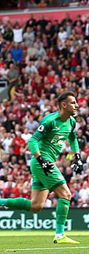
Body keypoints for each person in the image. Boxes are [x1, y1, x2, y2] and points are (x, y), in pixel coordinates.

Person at [0, 91, 84, 244]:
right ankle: (60, 235)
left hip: (45, 164)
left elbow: (73, 138)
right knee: (66, 195)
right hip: (42, 163)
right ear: (63, 105)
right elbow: (32, 141)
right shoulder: (50, 120)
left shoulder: (71, 121)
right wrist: (41, 160)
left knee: (36, 205)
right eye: (73, 102)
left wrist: (77, 155)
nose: (76, 105)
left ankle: (1, 202)